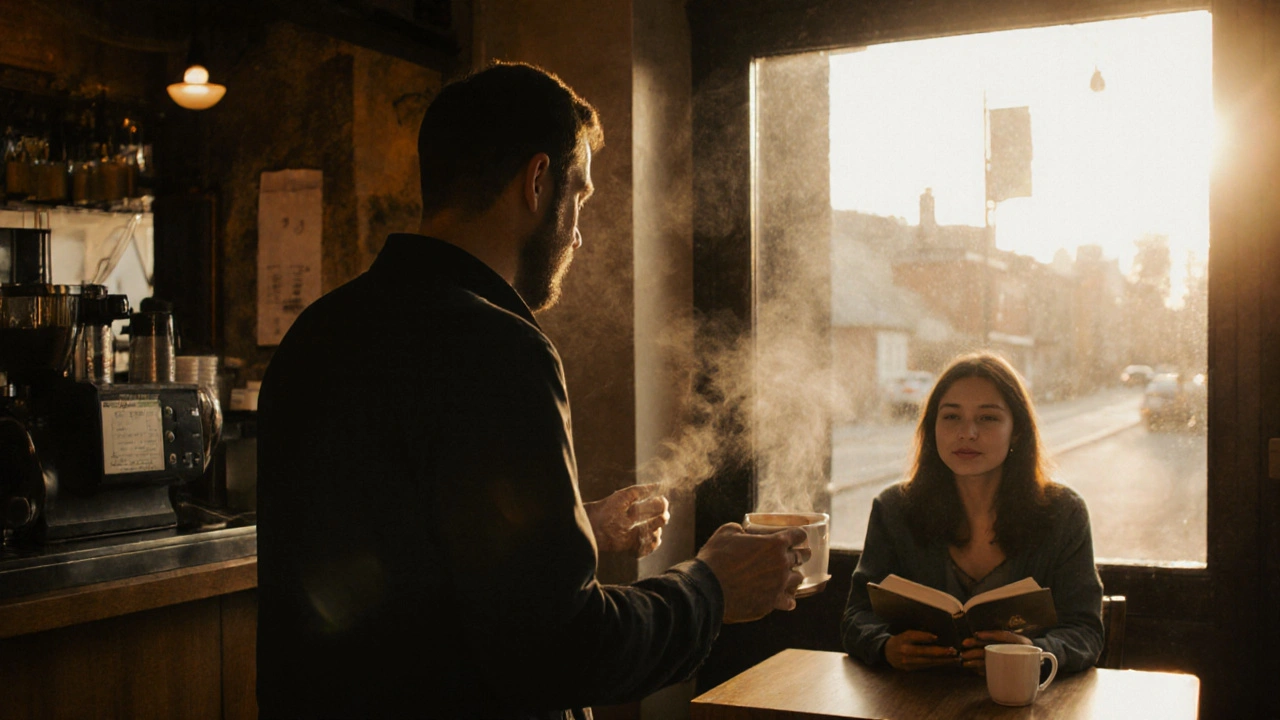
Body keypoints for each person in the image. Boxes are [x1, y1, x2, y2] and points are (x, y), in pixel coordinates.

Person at [255, 61, 809, 720]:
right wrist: (712, 586)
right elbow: (565, 650)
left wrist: (570, 528)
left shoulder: (317, 332)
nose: (577, 233)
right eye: (580, 195)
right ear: (538, 181)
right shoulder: (498, 348)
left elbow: (403, 558)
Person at [840, 352, 1104, 674]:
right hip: (915, 700)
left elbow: (1086, 632)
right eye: (951, 417)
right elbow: (857, 617)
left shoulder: (1064, 513)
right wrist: (886, 647)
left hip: (1025, 703)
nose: (967, 433)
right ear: (931, 427)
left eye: (988, 418)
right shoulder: (894, 509)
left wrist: (1035, 653)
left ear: (1017, 431)